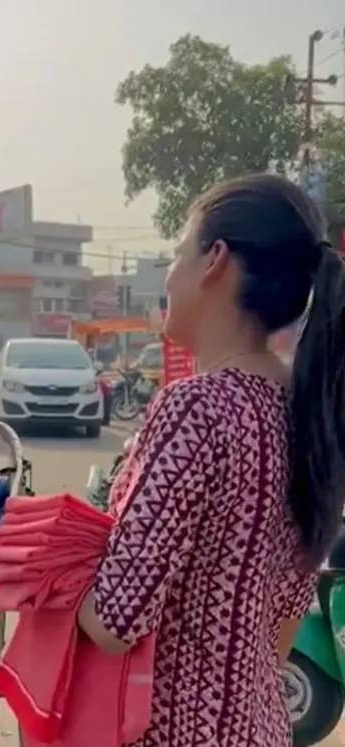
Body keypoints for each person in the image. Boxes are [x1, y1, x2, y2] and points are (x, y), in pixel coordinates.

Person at [76, 173, 344, 747]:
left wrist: (49, 578)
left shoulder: (198, 407)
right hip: (262, 731)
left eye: (178, 252)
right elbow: (281, 631)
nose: (170, 275)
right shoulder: (305, 414)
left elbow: (116, 622)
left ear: (214, 260)